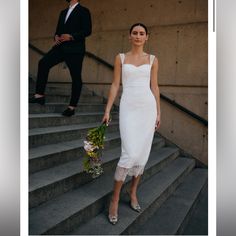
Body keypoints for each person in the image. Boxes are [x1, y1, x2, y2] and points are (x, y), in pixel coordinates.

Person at [102, 23, 161, 225]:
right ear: (129, 37)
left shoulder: (153, 60)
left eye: (141, 33)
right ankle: (115, 199)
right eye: (134, 33)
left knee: (142, 155)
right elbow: (115, 84)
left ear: (147, 37)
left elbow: (154, 86)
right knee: (129, 153)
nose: (138, 36)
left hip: (147, 109)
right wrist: (108, 109)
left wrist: (158, 112)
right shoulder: (121, 58)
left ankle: (133, 191)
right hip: (128, 108)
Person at [29, 0, 92, 117]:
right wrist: (56, 36)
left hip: (75, 49)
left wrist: (72, 36)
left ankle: (71, 107)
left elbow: (87, 31)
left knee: (76, 76)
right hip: (60, 47)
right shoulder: (63, 12)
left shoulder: (84, 11)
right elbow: (58, 30)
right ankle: (39, 96)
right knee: (43, 63)